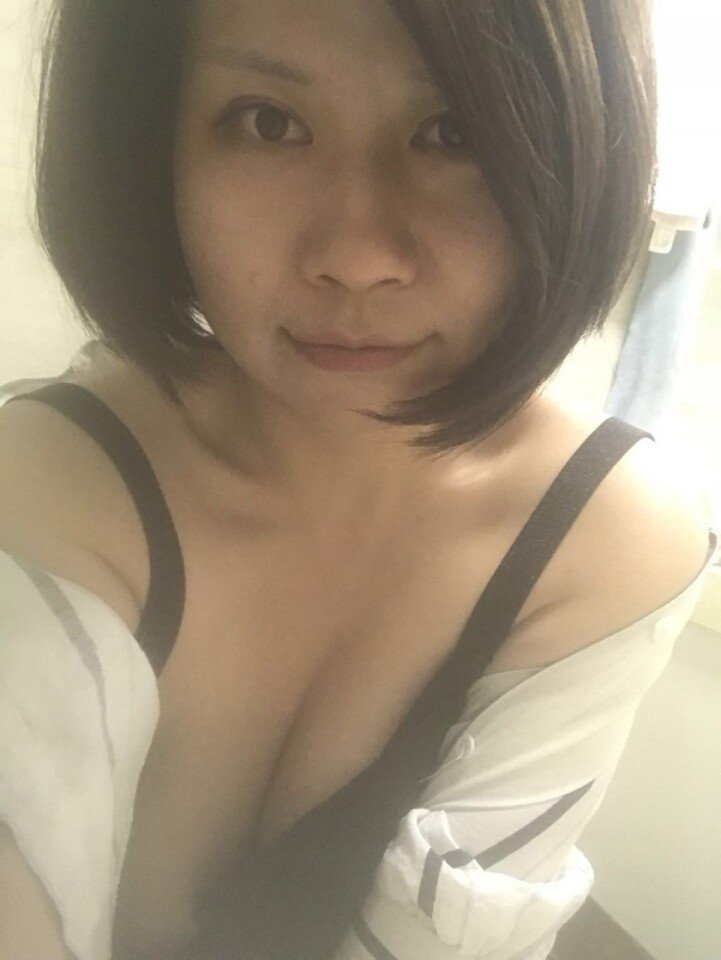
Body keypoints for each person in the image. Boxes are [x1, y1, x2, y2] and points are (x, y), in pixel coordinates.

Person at [0, 1, 716, 958]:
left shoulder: (602, 536)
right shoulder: (53, 478)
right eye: (268, 122)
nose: (355, 258)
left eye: (453, 132)